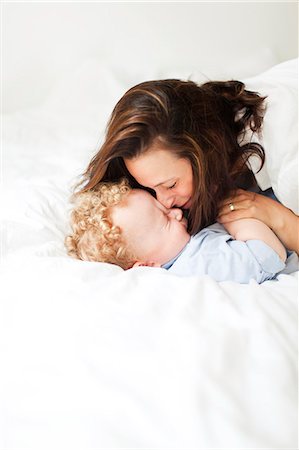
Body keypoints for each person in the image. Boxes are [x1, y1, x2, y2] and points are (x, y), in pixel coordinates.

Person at [76, 78, 299, 255]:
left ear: (204, 152)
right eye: (152, 190)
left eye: (171, 184)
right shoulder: (205, 113)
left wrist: (276, 216)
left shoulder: (289, 162)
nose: (163, 202)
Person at [65, 179, 287, 284]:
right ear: (146, 266)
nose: (177, 213)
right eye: (165, 218)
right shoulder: (196, 266)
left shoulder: (184, 249)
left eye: (165, 209)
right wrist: (233, 213)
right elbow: (268, 254)